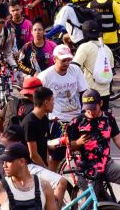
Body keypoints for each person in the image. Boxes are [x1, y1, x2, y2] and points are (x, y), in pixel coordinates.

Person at [64, 89, 120, 202]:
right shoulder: (77, 121)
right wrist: (78, 142)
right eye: (87, 109)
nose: (90, 111)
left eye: (93, 108)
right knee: (94, 203)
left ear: (101, 103)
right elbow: (69, 146)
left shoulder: (109, 118)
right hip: (86, 169)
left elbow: (118, 139)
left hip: (106, 164)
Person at [37, 44, 88, 172]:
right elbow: (37, 99)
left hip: (76, 117)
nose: (67, 63)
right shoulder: (45, 76)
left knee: (84, 148)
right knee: (56, 156)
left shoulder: (75, 70)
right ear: (54, 59)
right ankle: (53, 178)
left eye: (68, 60)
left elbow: (84, 92)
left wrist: (85, 112)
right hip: (57, 120)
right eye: (63, 60)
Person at [0, 142, 58, 210]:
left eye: (8, 161)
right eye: (3, 162)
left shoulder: (44, 186)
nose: (4, 166)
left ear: (22, 161)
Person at [71, 20, 114, 109]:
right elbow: (111, 69)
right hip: (106, 92)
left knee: (89, 121)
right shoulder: (106, 48)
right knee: (102, 119)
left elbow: (74, 67)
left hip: (89, 93)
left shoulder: (84, 47)